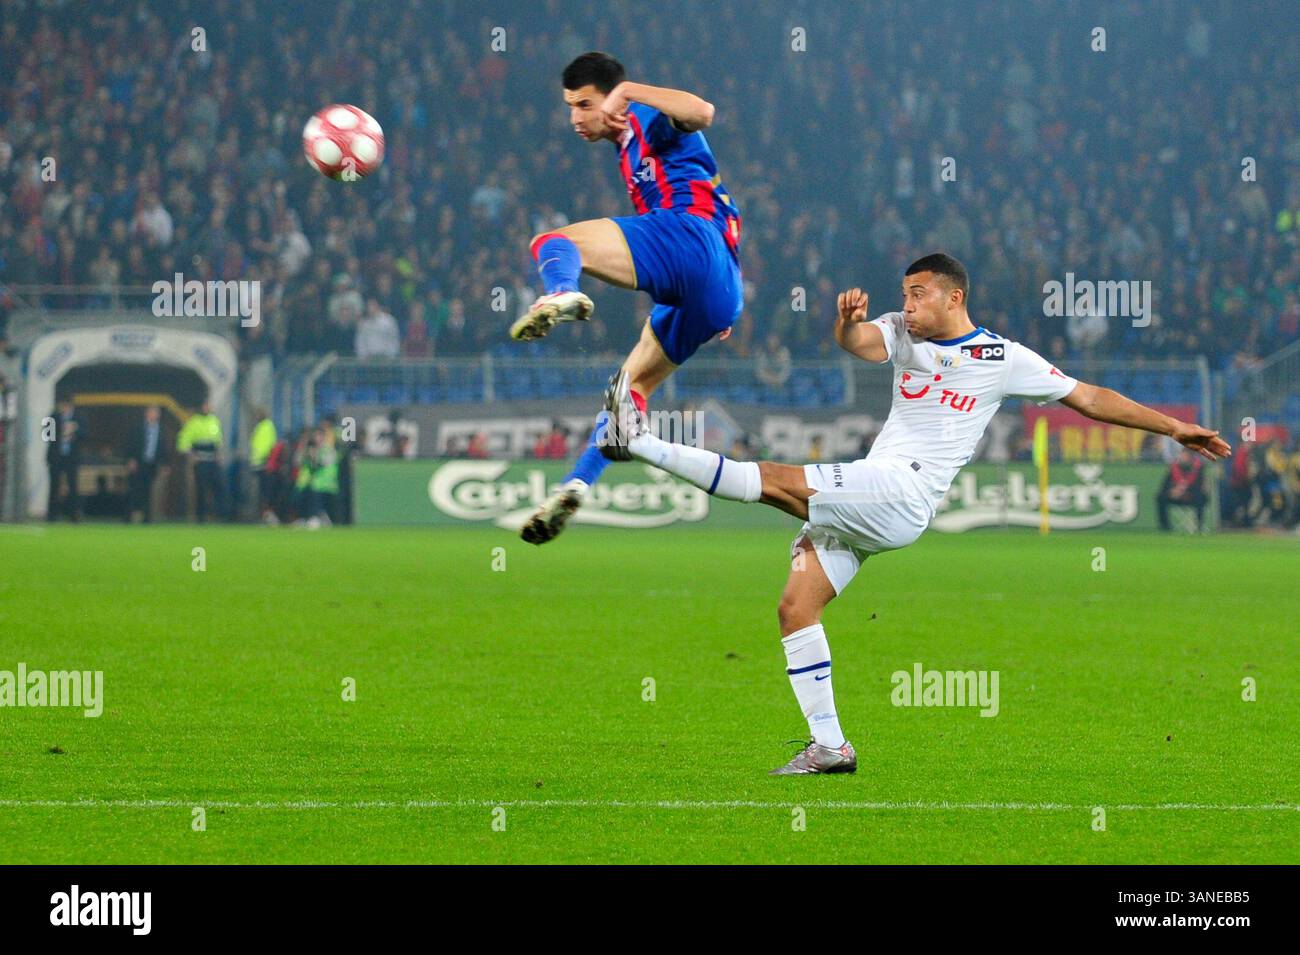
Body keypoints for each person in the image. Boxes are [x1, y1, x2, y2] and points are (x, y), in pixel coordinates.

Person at [602, 253, 1232, 775]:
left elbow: (1089, 397)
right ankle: (831, 746)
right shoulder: (902, 334)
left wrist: (1176, 428)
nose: (906, 306)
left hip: (902, 493)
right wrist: (846, 325)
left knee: (770, 480)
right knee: (796, 608)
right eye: (903, 295)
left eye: (918, 295)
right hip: (876, 493)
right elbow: (860, 342)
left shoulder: (1001, 358)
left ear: (954, 297)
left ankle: (639, 440)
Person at [510, 51, 743, 544]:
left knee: (553, 243)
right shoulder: (626, 144)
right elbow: (727, 213)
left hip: (690, 239)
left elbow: (703, 112)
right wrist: (718, 300)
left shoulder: (644, 117)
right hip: (717, 281)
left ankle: (562, 293)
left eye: (584, 104)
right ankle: (575, 485)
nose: (575, 117)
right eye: (570, 106)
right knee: (628, 392)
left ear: (610, 96)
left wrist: (630, 90)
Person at [176, 399, 228, 522]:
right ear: (202, 407)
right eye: (206, 406)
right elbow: (183, 441)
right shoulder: (194, 422)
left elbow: (218, 440)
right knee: (201, 489)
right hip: (200, 461)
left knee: (218, 486)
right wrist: (191, 454)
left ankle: (221, 515)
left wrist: (219, 454)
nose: (208, 408)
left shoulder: (214, 421)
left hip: (213, 461)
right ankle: (201, 516)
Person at [126, 405, 167, 522]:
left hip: (151, 464)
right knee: (134, 490)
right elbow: (130, 444)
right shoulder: (137, 428)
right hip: (138, 463)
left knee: (148, 491)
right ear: (147, 413)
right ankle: (129, 517)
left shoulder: (161, 429)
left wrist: (164, 464)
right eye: (153, 412)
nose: (155, 415)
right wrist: (130, 459)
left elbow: (163, 449)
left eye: (157, 413)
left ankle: (146, 518)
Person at [46, 398, 83, 521]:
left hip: (72, 458)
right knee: (54, 486)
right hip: (56, 457)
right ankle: (52, 515)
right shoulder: (52, 417)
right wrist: (60, 431)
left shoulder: (79, 418)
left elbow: (86, 435)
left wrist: (75, 431)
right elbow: (46, 435)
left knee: (73, 485)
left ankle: (73, 515)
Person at [1156, 446, 1207, 532]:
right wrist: (1171, 492)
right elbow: (1164, 487)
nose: (1184, 457)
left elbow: (1200, 486)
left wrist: (1186, 492)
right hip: (1176, 496)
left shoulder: (1198, 468)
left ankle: (1199, 526)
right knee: (1160, 498)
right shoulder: (1173, 469)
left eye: (1187, 455)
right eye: (1183, 455)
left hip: (1191, 496)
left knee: (1200, 498)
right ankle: (1165, 527)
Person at [248, 408, 277, 521]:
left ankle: (266, 515)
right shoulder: (260, 427)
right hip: (257, 464)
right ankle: (263, 515)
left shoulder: (267, 426)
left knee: (265, 492)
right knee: (261, 492)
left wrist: (268, 461)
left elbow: (271, 446)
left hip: (264, 464)